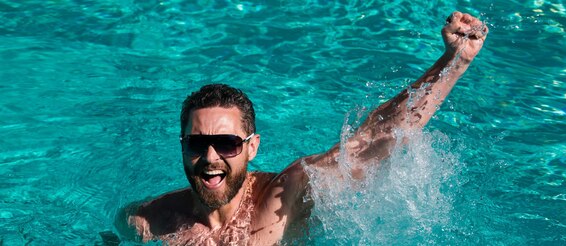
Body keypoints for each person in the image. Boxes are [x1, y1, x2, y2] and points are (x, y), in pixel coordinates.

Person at [116, 11, 488, 245]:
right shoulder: (147, 222)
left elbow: (373, 140)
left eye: (227, 143)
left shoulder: (283, 195)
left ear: (252, 146)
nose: (210, 158)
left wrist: (453, 62)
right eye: (197, 143)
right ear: (182, 145)